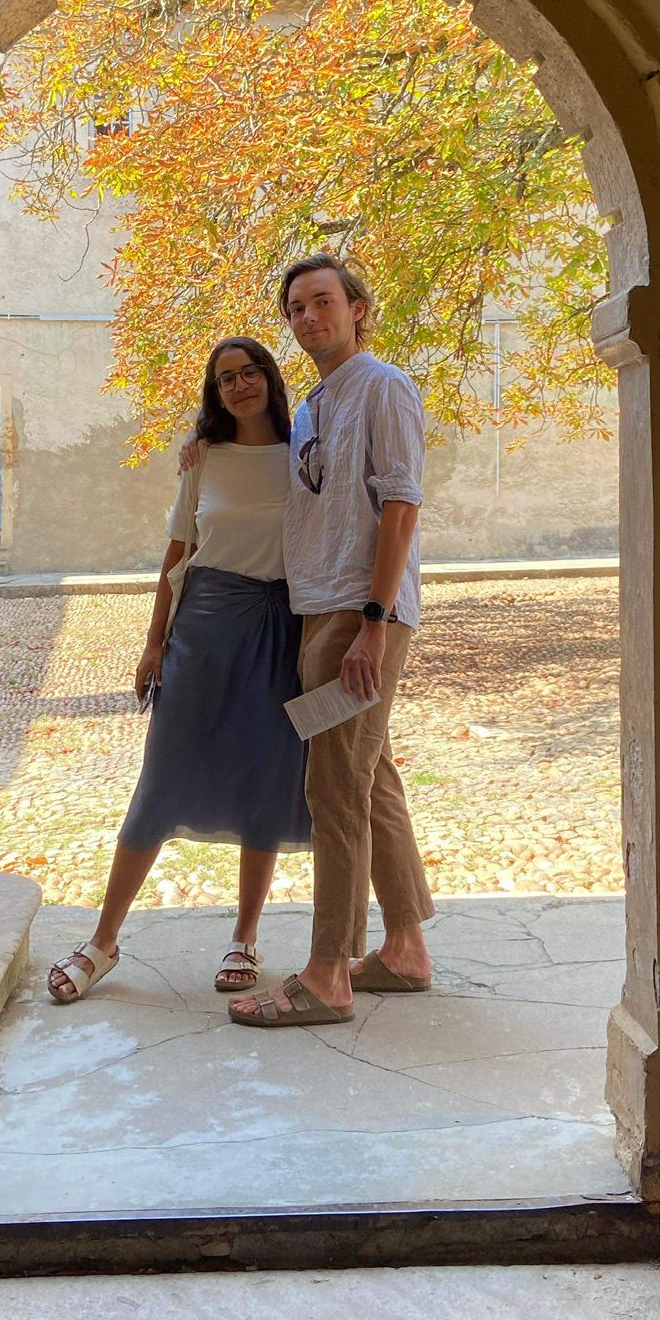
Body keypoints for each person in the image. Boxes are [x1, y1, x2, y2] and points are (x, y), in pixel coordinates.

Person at [46, 339, 312, 1004]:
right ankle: (102, 942)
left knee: (263, 778)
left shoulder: (306, 452)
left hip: (278, 628)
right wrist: (152, 642)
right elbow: (178, 550)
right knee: (161, 779)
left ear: (270, 379)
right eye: (225, 379)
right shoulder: (204, 459)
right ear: (215, 393)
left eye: (250, 371)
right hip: (203, 625)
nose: (239, 385)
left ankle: (245, 937)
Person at [228, 254, 435, 1029]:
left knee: (334, 790)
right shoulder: (316, 403)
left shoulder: (383, 386)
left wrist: (374, 624)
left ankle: (327, 974)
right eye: (295, 308)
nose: (308, 317)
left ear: (357, 309)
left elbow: (402, 506)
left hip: (359, 613)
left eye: (322, 302)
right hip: (321, 610)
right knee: (370, 777)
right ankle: (406, 948)